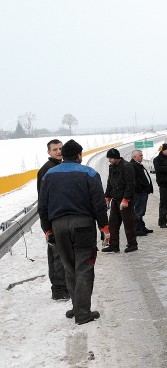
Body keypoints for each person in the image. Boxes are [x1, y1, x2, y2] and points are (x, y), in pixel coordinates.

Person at [38, 139, 109, 325]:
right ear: (78, 156)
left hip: (58, 226)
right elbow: (99, 203)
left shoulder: (49, 175)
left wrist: (47, 229)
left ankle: (76, 307)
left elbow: (43, 206)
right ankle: (83, 313)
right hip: (83, 225)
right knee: (84, 267)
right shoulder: (89, 173)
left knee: (69, 268)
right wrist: (104, 226)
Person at [36, 139, 69, 300]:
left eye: (61, 148)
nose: (58, 151)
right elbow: (43, 201)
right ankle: (58, 290)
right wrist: (47, 227)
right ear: (48, 152)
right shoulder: (46, 170)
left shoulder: (61, 167)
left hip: (61, 218)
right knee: (56, 256)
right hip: (52, 219)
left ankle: (65, 287)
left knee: (64, 255)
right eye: (54, 149)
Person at [102, 148, 138, 253]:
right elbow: (110, 182)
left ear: (116, 157)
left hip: (125, 200)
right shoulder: (112, 167)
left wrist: (126, 199)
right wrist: (107, 196)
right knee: (113, 223)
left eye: (110, 158)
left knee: (128, 223)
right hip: (115, 199)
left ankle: (132, 244)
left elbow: (130, 184)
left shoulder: (127, 166)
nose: (109, 160)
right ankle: (114, 245)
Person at [130, 149, 154, 236]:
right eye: (140, 155)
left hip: (143, 191)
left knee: (141, 210)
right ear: (134, 157)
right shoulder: (132, 165)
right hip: (139, 192)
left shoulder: (138, 165)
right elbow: (134, 180)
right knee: (138, 210)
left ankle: (141, 227)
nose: (142, 157)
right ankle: (138, 229)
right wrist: (141, 188)